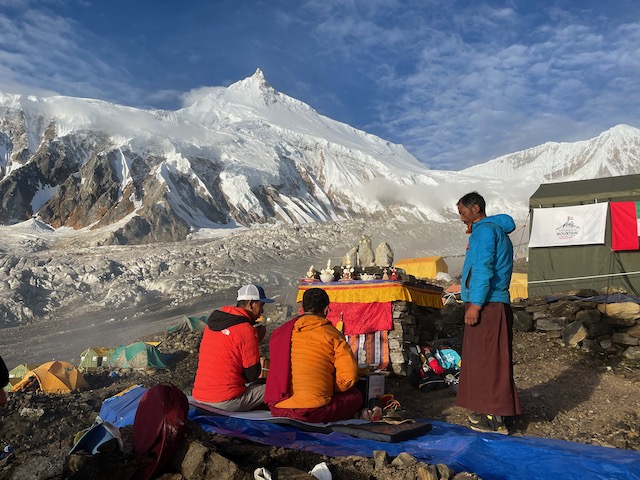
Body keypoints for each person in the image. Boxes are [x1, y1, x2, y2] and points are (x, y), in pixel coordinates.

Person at [455, 191, 521, 434]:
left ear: (475, 209)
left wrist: (476, 304)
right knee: (494, 360)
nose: (462, 218)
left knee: (484, 361)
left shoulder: (484, 231)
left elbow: (483, 268)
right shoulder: (496, 231)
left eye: (462, 212)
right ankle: (499, 414)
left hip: (487, 303)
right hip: (496, 303)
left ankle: (488, 418)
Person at [265, 287, 363, 423]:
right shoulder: (332, 334)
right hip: (314, 411)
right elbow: (349, 377)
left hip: (279, 408)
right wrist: (330, 387)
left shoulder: (282, 332)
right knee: (355, 396)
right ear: (326, 310)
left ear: (302, 306)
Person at [192, 284, 273, 411]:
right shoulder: (246, 330)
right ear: (251, 304)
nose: (261, 311)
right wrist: (255, 341)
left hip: (200, 396)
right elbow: (252, 375)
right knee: (277, 388)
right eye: (261, 306)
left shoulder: (211, 326)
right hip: (227, 400)